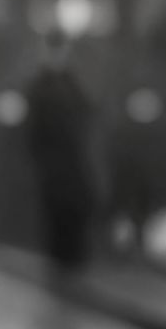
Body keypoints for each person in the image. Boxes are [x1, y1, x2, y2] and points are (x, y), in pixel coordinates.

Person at [21, 28, 102, 270]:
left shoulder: (70, 82)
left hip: (72, 158)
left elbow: (87, 114)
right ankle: (60, 259)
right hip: (53, 160)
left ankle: (73, 258)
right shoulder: (40, 86)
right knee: (56, 211)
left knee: (74, 208)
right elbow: (34, 128)